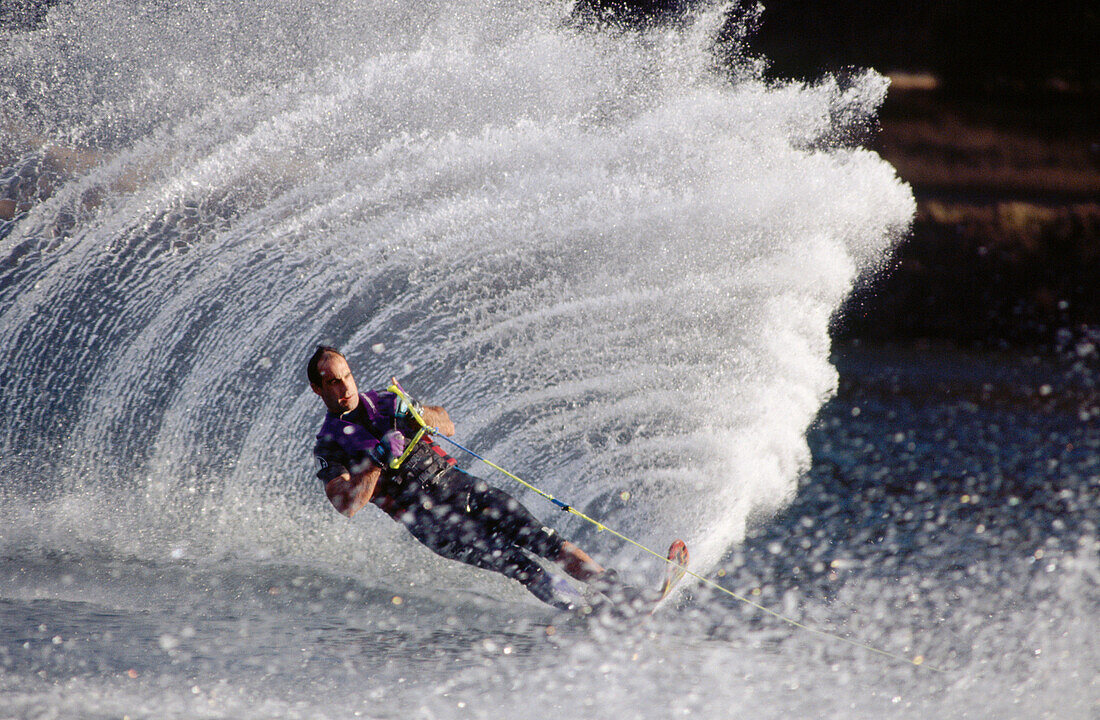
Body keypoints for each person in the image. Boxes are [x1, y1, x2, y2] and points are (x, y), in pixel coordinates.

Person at [307, 345, 631, 609]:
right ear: (318, 388)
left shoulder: (388, 401)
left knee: (545, 540)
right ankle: (585, 611)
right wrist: (377, 462)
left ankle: (620, 594)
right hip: (431, 523)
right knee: (520, 565)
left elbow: (446, 424)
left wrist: (417, 412)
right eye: (333, 381)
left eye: (347, 375)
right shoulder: (330, 443)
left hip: (464, 489)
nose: (345, 386)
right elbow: (345, 504)